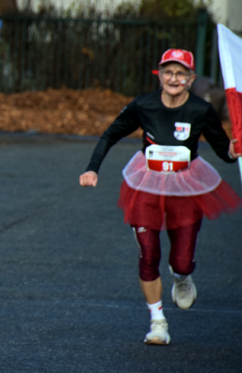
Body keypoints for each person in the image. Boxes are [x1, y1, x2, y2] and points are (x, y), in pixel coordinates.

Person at [79, 48, 241, 346]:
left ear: (191, 79)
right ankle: (158, 322)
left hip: (186, 184)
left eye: (180, 73)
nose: (173, 78)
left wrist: (234, 149)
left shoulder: (199, 110)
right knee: (148, 253)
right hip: (147, 182)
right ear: (160, 75)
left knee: (181, 261)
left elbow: (225, 152)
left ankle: (181, 276)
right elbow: (110, 134)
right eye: (168, 72)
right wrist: (92, 169)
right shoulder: (144, 105)